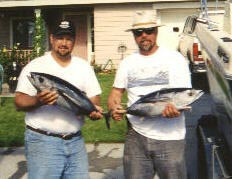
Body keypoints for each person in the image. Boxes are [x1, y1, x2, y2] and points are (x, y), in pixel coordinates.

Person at [14, 20, 103, 179]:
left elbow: (94, 100)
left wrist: (93, 111)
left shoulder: (84, 67)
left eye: (68, 39)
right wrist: (38, 101)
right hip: (43, 142)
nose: (64, 43)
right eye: (60, 38)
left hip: (75, 142)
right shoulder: (35, 67)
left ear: (74, 41)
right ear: (51, 39)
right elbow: (19, 101)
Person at [108, 11, 191, 179]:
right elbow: (115, 93)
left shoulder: (175, 59)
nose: (144, 36)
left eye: (149, 31)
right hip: (136, 137)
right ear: (133, 35)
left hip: (170, 138)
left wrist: (177, 109)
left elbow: (183, 96)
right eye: (138, 32)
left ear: (156, 31)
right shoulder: (127, 63)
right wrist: (113, 106)